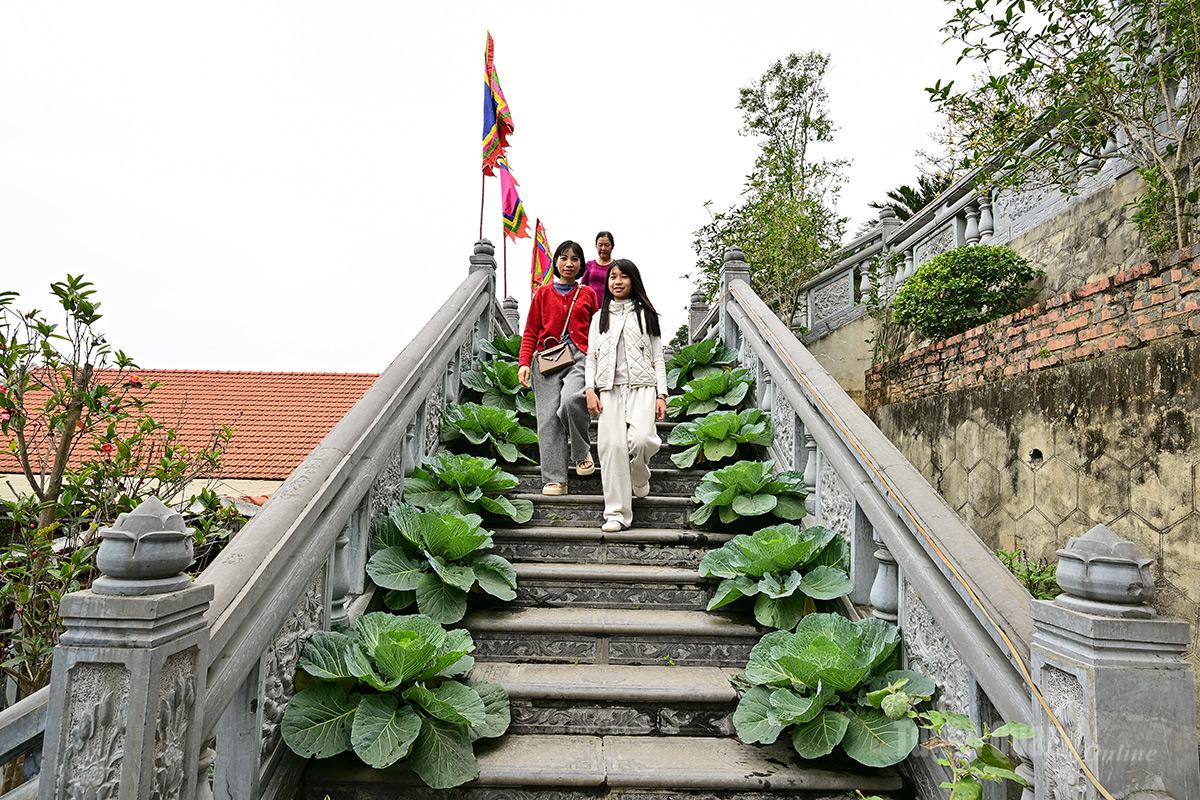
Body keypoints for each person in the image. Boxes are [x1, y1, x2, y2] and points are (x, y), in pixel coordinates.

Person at [584, 259, 667, 532]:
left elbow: (658, 357)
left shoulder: (646, 314)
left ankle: (640, 476)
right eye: (612, 277)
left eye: (623, 277)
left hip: (643, 387)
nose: (617, 282)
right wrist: (590, 390)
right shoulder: (599, 316)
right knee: (611, 449)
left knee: (641, 440)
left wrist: (661, 395)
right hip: (608, 390)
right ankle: (617, 514)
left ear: (633, 280)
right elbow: (591, 358)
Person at [518, 240, 600, 496]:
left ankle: (581, 451)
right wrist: (523, 362)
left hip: (580, 356)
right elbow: (531, 330)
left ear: (581, 265)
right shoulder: (542, 294)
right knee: (548, 419)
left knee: (572, 400)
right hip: (547, 358)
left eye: (574, 259)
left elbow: (598, 330)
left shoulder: (588, 294)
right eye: (564, 258)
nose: (569, 263)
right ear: (556, 262)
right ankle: (555, 479)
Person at [581, 231, 615, 302]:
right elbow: (583, 285)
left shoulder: (616, 266)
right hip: (590, 304)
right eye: (600, 245)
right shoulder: (590, 264)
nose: (603, 248)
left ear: (612, 246)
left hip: (610, 305)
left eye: (606, 245)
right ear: (596, 246)